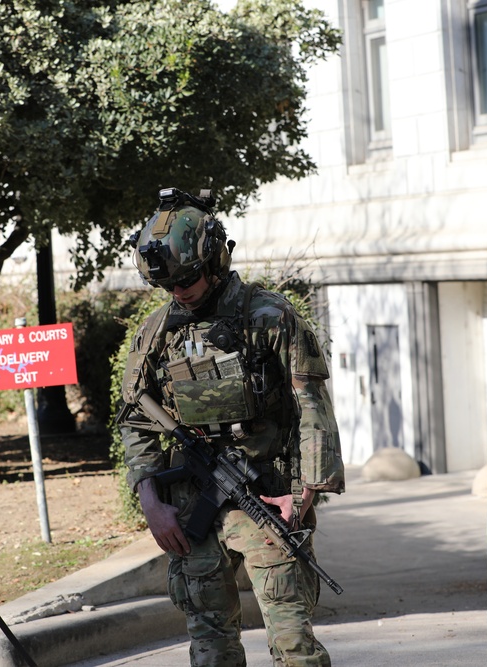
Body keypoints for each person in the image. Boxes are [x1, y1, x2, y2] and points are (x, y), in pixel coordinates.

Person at [117, 188, 345, 666]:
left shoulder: (270, 317)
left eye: (189, 278)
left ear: (216, 259)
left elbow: (314, 411)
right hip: (190, 513)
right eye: (170, 284)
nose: (180, 291)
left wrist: (302, 496)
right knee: (210, 645)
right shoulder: (156, 334)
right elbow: (136, 420)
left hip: (266, 499)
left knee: (293, 643)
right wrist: (150, 501)